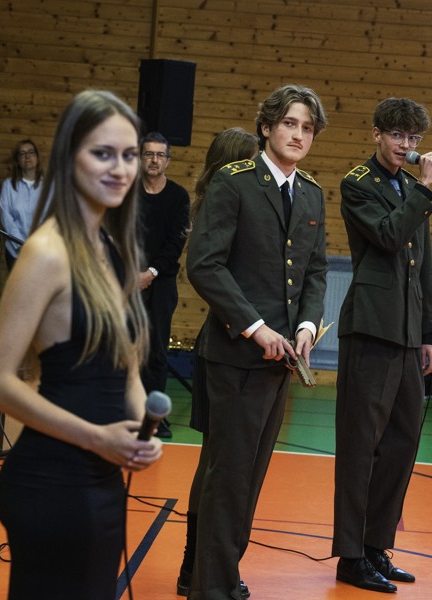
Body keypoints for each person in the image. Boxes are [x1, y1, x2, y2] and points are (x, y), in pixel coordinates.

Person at [0, 90, 163, 599]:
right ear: (68, 157)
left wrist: (139, 433)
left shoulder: (113, 248)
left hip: (101, 479)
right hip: (52, 481)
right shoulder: (46, 251)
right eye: (103, 153)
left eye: (129, 155)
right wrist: (95, 437)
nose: (120, 169)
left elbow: (126, 368)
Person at [185, 84, 328, 600]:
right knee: (228, 479)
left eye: (307, 128)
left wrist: (307, 327)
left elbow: (314, 272)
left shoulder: (311, 192)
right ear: (266, 127)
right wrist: (256, 327)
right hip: (235, 356)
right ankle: (212, 587)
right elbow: (204, 265)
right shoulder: (235, 181)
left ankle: (216, 577)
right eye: (289, 123)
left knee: (248, 479)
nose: (298, 134)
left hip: (281, 362)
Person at [333, 97, 432, 594]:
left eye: (414, 138)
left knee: (402, 444)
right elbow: (387, 236)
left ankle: (377, 545)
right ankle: (351, 556)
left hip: (407, 332)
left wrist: (429, 334)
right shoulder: (358, 183)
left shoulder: (410, 188)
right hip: (372, 328)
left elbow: (425, 268)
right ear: (377, 134)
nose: (406, 145)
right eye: (398, 135)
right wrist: (423, 189)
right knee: (361, 447)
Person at [176, 126, 259, 598]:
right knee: (217, 466)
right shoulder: (224, 204)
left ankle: (196, 566)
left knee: (215, 464)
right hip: (226, 347)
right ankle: (198, 567)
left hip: (225, 343)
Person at [136, 131, 191, 438]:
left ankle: (152, 418)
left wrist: (151, 272)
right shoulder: (127, 192)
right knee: (124, 348)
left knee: (156, 351)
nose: (154, 160)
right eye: (149, 154)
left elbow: (176, 243)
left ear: (168, 160)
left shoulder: (178, 197)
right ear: (140, 158)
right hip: (126, 281)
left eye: (160, 155)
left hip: (161, 282)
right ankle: (124, 411)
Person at [0, 139, 44, 270]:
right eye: (22, 154)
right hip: (15, 252)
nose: (27, 156)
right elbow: (5, 216)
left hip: (42, 250)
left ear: (37, 157)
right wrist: (20, 243)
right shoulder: (8, 185)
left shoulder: (48, 186)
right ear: (17, 160)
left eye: (31, 152)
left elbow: (50, 217)